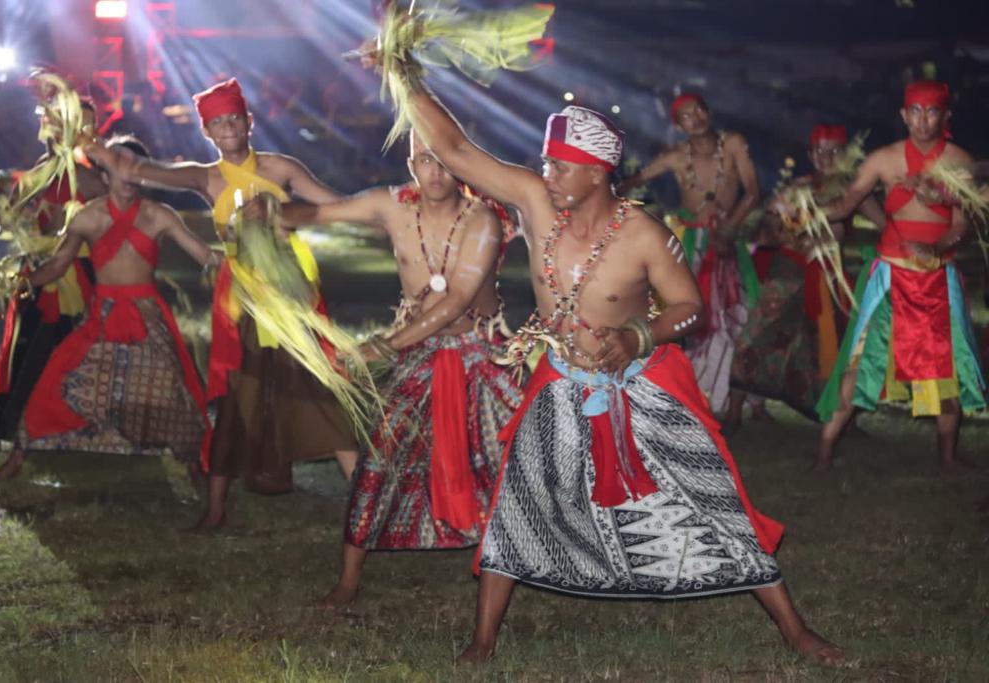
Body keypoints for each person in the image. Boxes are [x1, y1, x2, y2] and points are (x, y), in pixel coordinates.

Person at [378, 59, 841, 663]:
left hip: (636, 387)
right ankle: (483, 641)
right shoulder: (534, 203)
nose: (546, 174)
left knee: (713, 496)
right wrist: (404, 72)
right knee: (518, 498)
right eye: (546, 163)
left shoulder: (642, 233)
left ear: (597, 173)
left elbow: (688, 307)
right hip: (560, 383)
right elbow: (455, 149)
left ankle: (796, 631)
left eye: (559, 165)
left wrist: (639, 337)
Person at [85, 78, 357, 529]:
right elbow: (138, 170)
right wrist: (87, 141)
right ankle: (215, 509)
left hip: (290, 296)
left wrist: (281, 214)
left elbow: (338, 207)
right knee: (236, 399)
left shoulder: (281, 168)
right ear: (206, 132)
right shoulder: (204, 176)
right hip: (243, 302)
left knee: (317, 388)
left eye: (234, 119)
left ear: (249, 122)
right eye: (217, 123)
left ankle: (363, 500)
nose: (227, 127)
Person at [273, 130, 523, 606]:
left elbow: (455, 302)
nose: (435, 171)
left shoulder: (483, 219)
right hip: (418, 356)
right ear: (411, 166)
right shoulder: (391, 207)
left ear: (461, 164)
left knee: (512, 465)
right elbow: (323, 213)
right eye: (424, 161)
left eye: (444, 160)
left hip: (482, 355)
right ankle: (348, 580)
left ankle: (531, 557)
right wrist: (268, 214)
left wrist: (384, 347)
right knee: (378, 463)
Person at [0, 136, 220, 480]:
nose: (126, 176)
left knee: (175, 390)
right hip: (103, 315)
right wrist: (17, 283)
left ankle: (196, 469)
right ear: (104, 176)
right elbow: (56, 266)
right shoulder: (86, 217)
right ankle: (19, 457)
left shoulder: (159, 216)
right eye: (117, 166)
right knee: (54, 381)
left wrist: (243, 260)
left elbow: (205, 256)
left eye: (135, 169)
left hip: (147, 316)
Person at [812, 81, 985, 472]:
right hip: (889, 278)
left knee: (947, 368)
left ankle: (948, 456)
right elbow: (845, 205)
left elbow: (963, 223)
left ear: (945, 116)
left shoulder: (959, 161)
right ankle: (823, 454)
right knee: (858, 366)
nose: (923, 120)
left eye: (932, 111)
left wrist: (938, 249)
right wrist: (806, 208)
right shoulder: (882, 160)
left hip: (938, 279)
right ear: (904, 115)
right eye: (916, 111)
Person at [728, 124, 885, 424]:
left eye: (834, 151)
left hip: (828, 275)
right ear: (810, 154)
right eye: (819, 151)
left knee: (830, 349)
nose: (826, 158)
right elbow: (767, 230)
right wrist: (778, 230)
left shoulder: (855, 193)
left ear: (845, 154)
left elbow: (886, 227)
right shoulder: (796, 188)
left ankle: (839, 421)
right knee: (756, 334)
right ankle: (735, 413)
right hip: (787, 272)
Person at [619, 93, 763, 418]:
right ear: (678, 125)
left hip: (727, 242)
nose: (694, 117)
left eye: (698, 109)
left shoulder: (734, 144)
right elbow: (635, 181)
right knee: (683, 314)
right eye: (685, 115)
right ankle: (687, 392)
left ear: (709, 111)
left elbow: (753, 193)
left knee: (739, 315)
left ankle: (746, 398)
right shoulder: (674, 157)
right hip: (688, 241)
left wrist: (729, 228)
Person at [0, 99, 106, 469]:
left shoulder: (91, 178)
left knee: (62, 352)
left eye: (60, 125)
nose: (51, 132)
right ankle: (13, 428)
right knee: (24, 349)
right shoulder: (39, 170)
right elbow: (4, 222)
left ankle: (56, 432)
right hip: (35, 272)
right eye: (49, 124)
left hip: (77, 277)